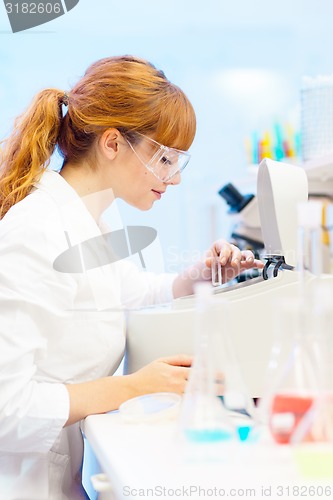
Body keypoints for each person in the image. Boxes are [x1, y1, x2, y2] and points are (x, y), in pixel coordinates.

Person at [0, 55, 263, 499]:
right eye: (164, 159)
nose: (174, 178)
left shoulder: (93, 216)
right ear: (112, 143)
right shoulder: (34, 232)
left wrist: (197, 276)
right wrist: (135, 387)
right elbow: (7, 411)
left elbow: (123, 291)